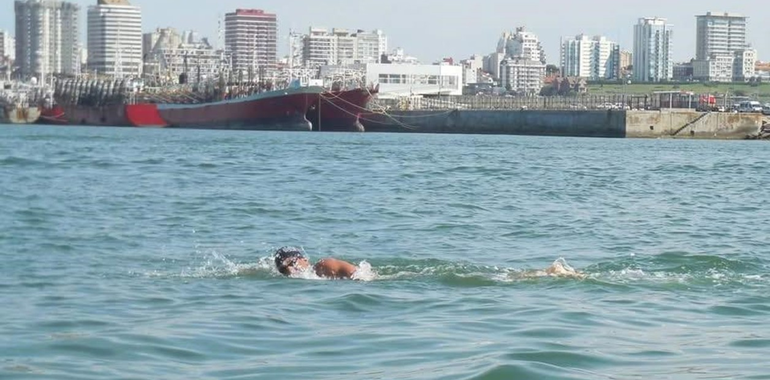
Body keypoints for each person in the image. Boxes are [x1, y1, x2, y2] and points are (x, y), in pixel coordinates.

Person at [274, 247, 358, 280]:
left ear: (305, 260)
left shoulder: (324, 266)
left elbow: (360, 275)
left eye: (293, 263)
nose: (290, 269)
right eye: (283, 269)